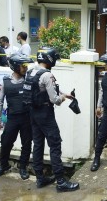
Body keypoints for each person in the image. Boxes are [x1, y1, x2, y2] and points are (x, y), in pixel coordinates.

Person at [24, 47, 79, 192]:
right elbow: (54, 99)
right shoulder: (47, 75)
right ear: (49, 59)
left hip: (33, 113)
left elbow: (44, 89)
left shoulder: (31, 71)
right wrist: (62, 98)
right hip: (45, 114)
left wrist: (65, 94)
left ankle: (40, 178)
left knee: (38, 145)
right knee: (55, 144)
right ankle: (61, 181)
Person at [0, 54, 34, 180]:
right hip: (12, 119)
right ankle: (3, 166)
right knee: (5, 142)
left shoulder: (30, 80)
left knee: (26, 144)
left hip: (27, 118)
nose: (25, 68)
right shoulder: (5, 82)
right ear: (15, 66)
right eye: (23, 66)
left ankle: (23, 168)